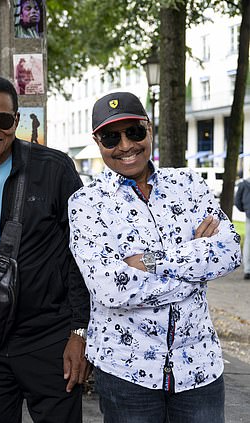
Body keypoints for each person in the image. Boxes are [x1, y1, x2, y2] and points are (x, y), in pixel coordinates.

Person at [68, 92, 241, 423]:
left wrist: (147, 262)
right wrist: (195, 268)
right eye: (110, 137)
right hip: (127, 372)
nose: (125, 145)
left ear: (149, 129)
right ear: (97, 141)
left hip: (199, 367)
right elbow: (110, 290)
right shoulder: (86, 203)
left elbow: (230, 251)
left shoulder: (190, 184)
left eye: (134, 131)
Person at [0, 76, 90, 423]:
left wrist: (79, 332)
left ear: (17, 120)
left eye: (3, 120)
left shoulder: (54, 169)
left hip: (50, 341)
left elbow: (81, 256)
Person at [234, 178, 250, 279]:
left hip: (249, 214)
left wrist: (245, 209)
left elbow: (237, 201)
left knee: (248, 242)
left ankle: (247, 269)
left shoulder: (244, 184)